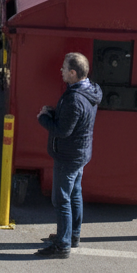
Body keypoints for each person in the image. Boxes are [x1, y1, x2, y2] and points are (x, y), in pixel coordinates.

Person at [35, 52, 102, 258]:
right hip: (81, 152)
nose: (61, 70)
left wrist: (44, 118)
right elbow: (75, 121)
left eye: (64, 68)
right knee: (75, 194)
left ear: (73, 73)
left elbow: (63, 130)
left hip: (68, 156)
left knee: (61, 199)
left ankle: (62, 245)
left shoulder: (74, 99)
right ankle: (73, 235)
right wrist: (55, 113)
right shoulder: (91, 90)